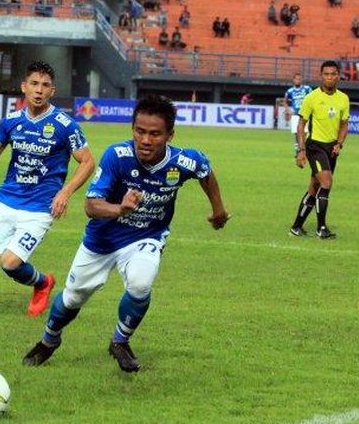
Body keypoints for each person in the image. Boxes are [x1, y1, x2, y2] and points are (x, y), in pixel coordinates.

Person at [23, 95, 230, 372]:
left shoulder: (184, 161)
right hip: (102, 240)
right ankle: (49, 341)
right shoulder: (117, 156)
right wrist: (120, 208)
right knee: (72, 298)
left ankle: (120, 340)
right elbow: (90, 206)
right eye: (139, 131)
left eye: (155, 134)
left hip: (147, 236)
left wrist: (218, 210)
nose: (145, 140)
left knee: (141, 283)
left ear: (170, 135)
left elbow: (205, 171)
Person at [0, 60, 95, 317]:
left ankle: (42, 283)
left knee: (10, 263)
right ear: (23, 87)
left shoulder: (65, 125)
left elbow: (87, 161)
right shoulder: (11, 121)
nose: (39, 90)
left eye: (45, 85)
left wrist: (65, 192)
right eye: (34, 84)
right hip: (8, 198)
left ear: (53, 91)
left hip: (41, 206)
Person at [289, 61, 349, 239]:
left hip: (331, 148)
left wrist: (339, 143)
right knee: (327, 183)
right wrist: (301, 150)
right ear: (321, 76)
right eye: (326, 74)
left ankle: (296, 227)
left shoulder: (343, 99)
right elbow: (301, 125)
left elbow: (344, 125)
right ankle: (321, 228)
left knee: (315, 188)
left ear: (338, 75)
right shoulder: (311, 98)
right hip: (314, 146)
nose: (329, 77)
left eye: (333, 74)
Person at [283, 73, 312, 157]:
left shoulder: (307, 89)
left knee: (305, 132)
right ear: (293, 80)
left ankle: (305, 150)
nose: (298, 80)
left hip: (305, 114)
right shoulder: (290, 91)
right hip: (295, 115)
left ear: (301, 80)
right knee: (296, 133)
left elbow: (312, 99)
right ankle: (298, 150)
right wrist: (288, 110)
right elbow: (285, 101)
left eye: (299, 79)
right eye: (296, 79)